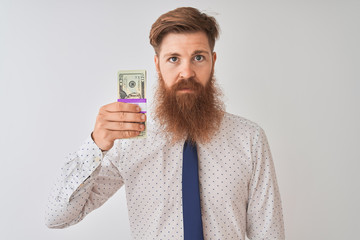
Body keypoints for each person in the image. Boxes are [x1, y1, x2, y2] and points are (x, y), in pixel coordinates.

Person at [45, 7, 285, 239]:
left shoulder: (249, 139)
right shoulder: (129, 139)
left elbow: (270, 235)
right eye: (173, 59)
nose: (187, 72)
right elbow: (57, 217)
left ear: (213, 61)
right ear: (158, 65)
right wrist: (96, 145)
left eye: (198, 57)